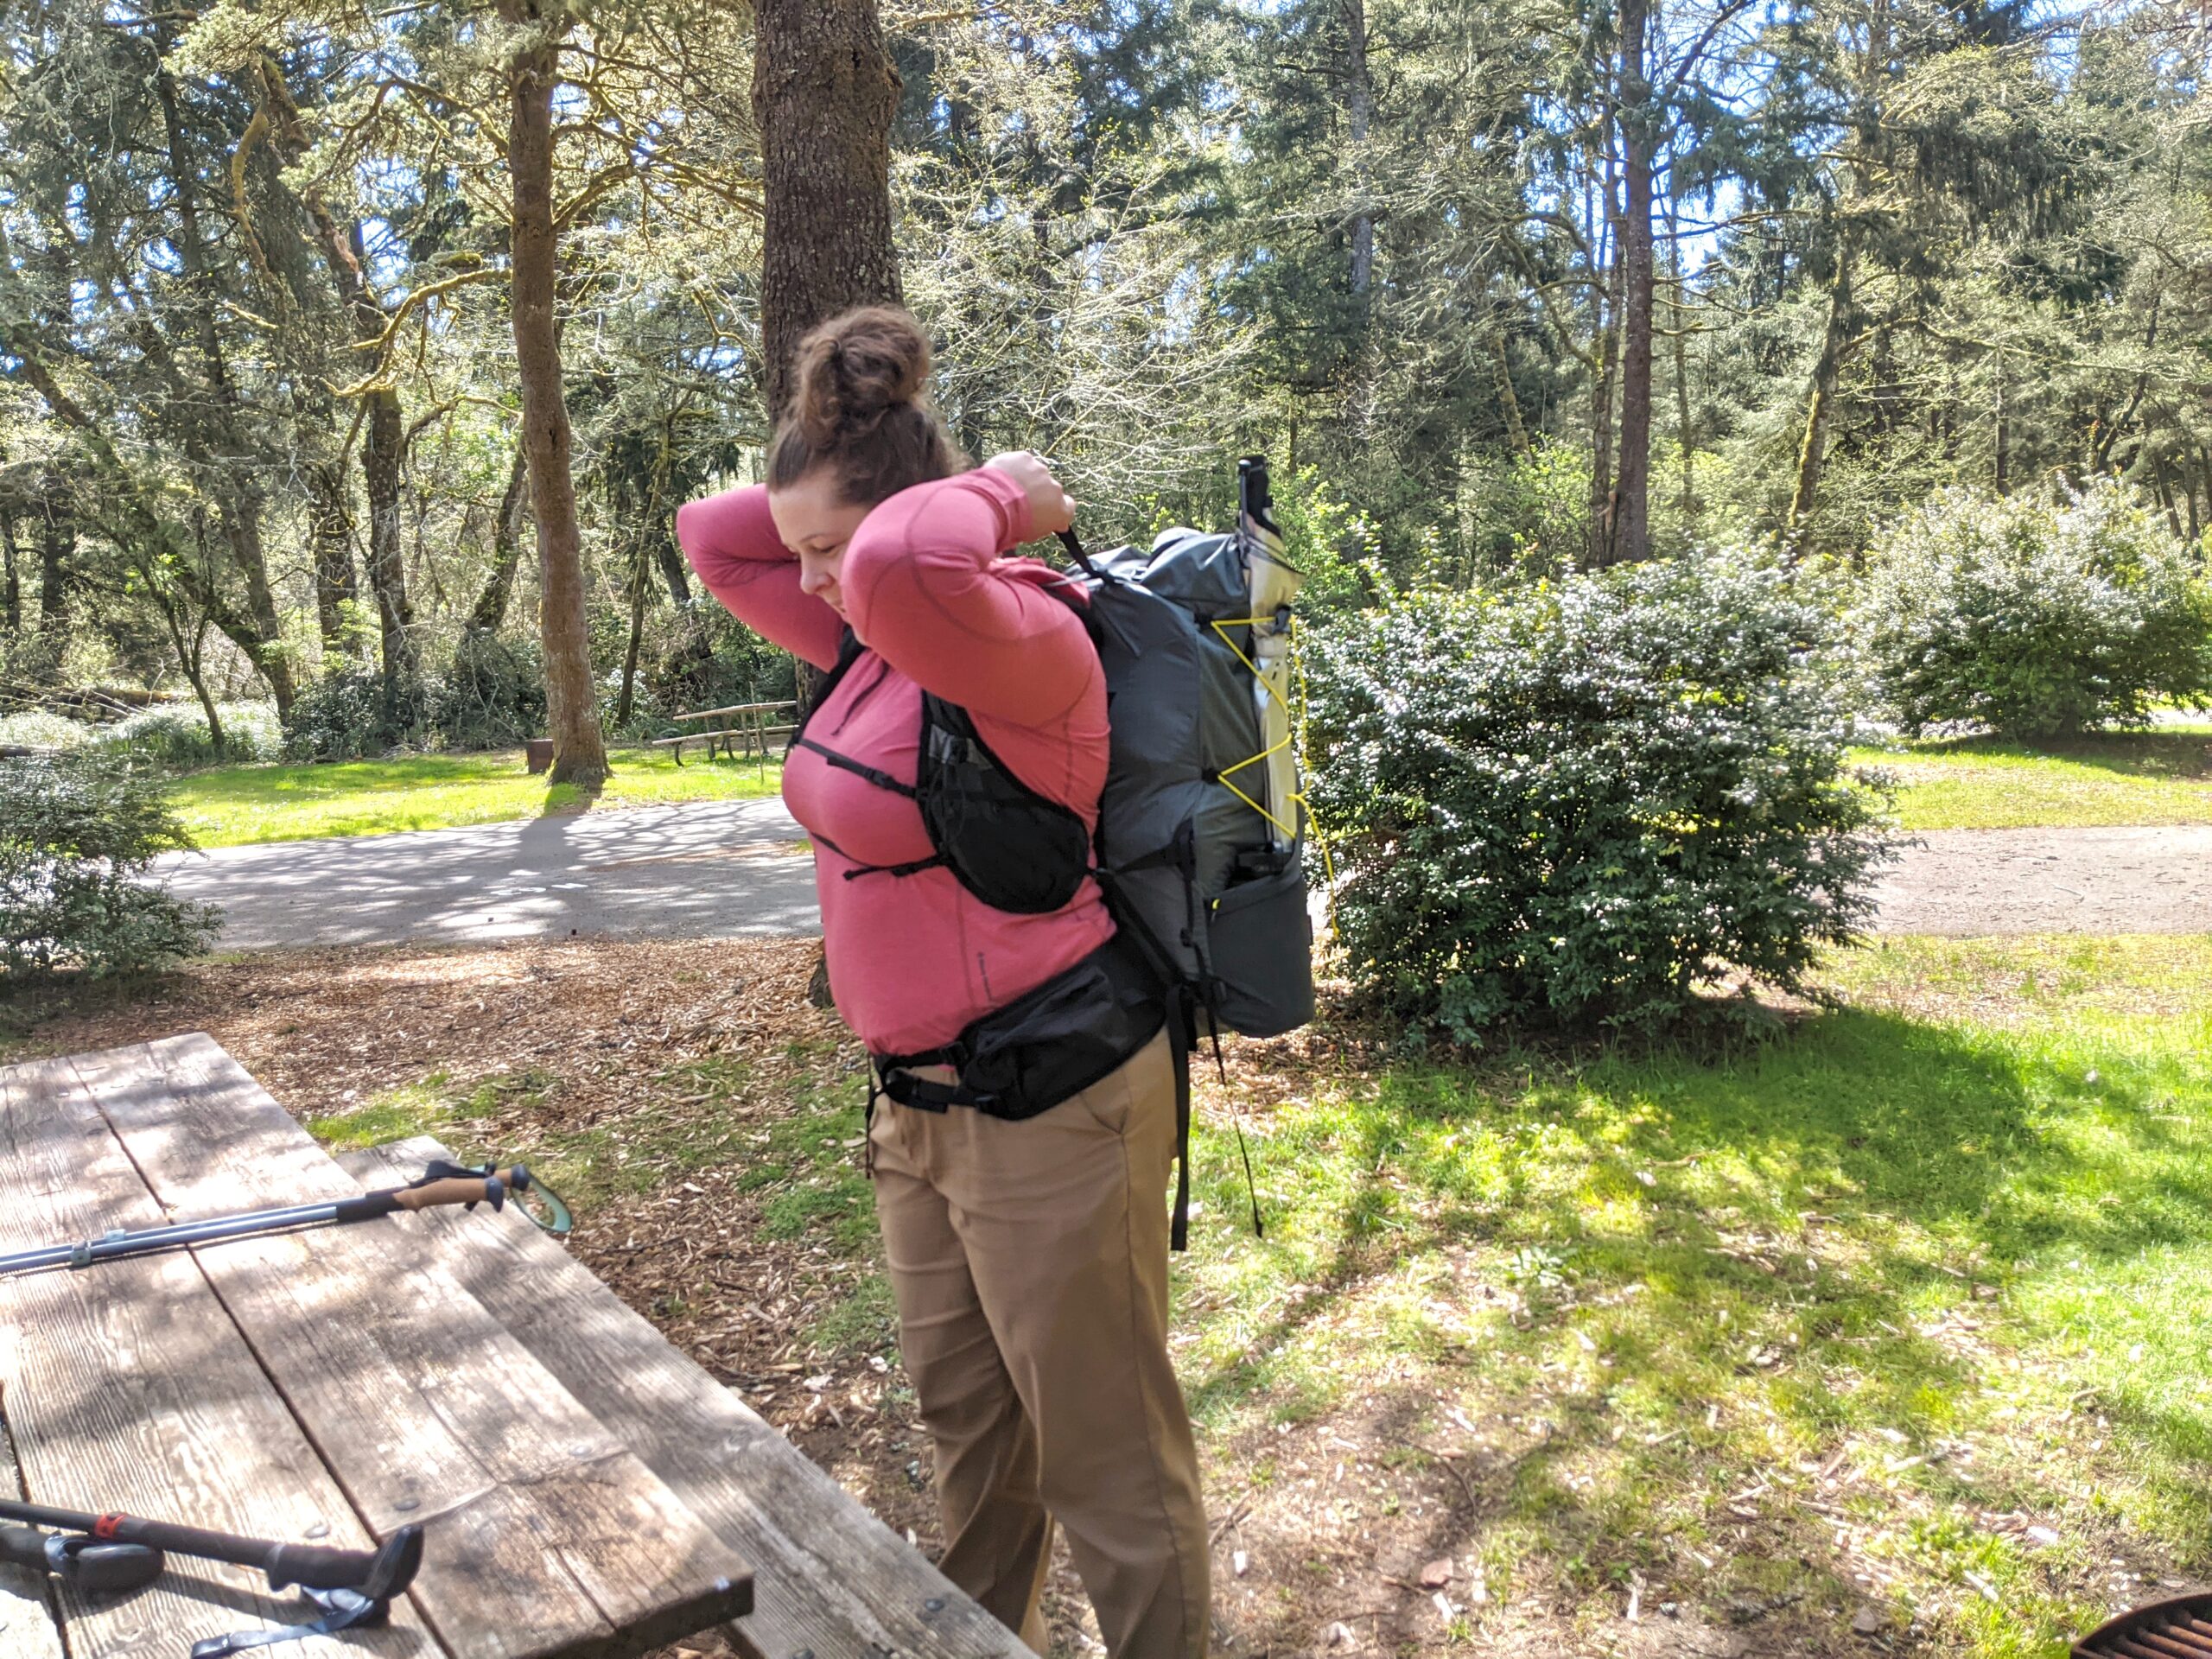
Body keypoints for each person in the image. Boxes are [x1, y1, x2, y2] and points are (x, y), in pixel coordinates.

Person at [677, 304, 1211, 1658]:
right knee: (974, 1448)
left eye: (827, 553)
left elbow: (913, 552)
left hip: (1055, 1106)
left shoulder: (1009, 636)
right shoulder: (873, 635)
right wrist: (837, 450)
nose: (801, 583)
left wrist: (997, 494)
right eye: (804, 557)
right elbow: (711, 533)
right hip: (915, 1112)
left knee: (1111, 1466)